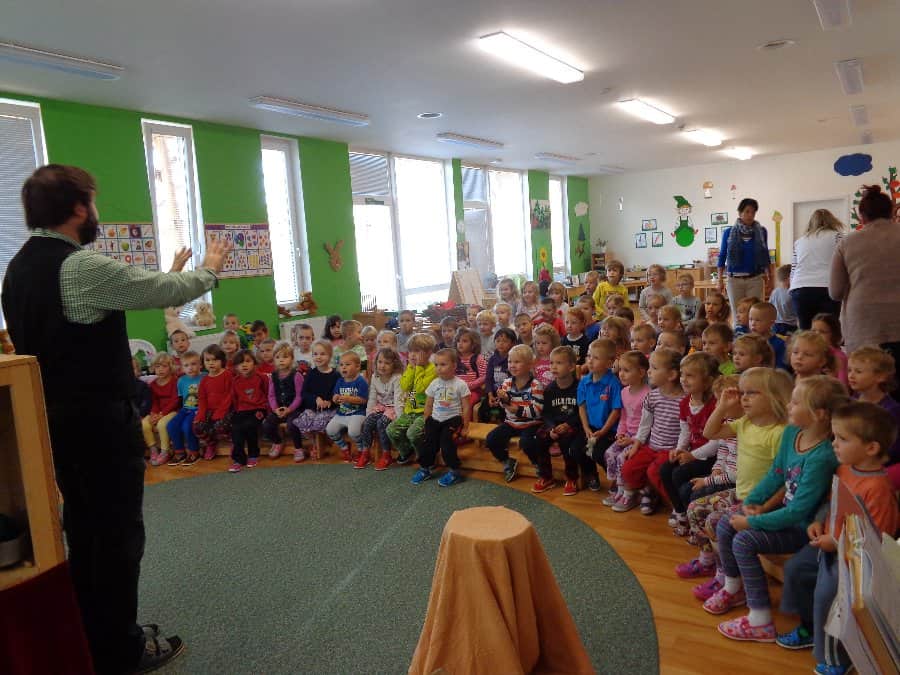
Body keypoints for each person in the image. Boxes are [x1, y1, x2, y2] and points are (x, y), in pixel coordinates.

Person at [1, 164, 230, 672]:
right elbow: (162, 291)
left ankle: (93, 635)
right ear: (78, 207)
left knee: (85, 533)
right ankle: (119, 651)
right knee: (117, 538)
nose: (96, 211)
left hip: (55, 424)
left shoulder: (16, 269)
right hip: (99, 427)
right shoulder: (78, 267)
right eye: (93, 201)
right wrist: (210, 268)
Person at [712, 377, 845, 643]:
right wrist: (752, 503)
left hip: (800, 528)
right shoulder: (792, 433)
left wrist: (752, 522)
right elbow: (776, 474)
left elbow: (797, 512)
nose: (788, 406)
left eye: (795, 402)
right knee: (725, 522)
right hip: (782, 516)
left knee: (744, 540)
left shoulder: (822, 456)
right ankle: (734, 587)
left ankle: (760, 620)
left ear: (819, 414)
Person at [778, 402, 898, 674]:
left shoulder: (878, 488)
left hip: (855, 561)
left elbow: (878, 538)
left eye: (842, 439)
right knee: (796, 569)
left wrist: (835, 542)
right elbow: (831, 503)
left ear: (871, 448)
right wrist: (818, 522)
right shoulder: (844, 469)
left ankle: (836, 658)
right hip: (829, 544)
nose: (834, 443)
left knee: (828, 595)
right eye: (835, 436)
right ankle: (809, 628)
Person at [687, 368, 792, 600]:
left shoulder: (780, 433)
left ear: (774, 397)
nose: (744, 398)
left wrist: (763, 507)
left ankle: (731, 579)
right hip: (741, 494)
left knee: (716, 521)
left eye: (751, 393)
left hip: (762, 503)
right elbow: (710, 432)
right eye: (742, 392)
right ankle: (713, 565)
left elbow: (786, 479)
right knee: (695, 508)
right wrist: (722, 407)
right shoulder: (745, 422)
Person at [831, 184, 900, 363]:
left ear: (861, 216)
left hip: (863, 323)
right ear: (892, 212)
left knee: (867, 375)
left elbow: (835, 292)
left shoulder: (847, 243)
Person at [613, 348, 683, 514]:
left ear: (671, 375)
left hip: (670, 450)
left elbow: (685, 429)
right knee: (628, 468)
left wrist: (680, 449)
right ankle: (644, 491)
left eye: (654, 368)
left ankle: (677, 507)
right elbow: (645, 425)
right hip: (651, 446)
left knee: (654, 472)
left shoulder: (684, 399)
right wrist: (637, 445)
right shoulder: (652, 396)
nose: (649, 371)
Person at [659, 353, 720, 535]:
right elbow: (685, 431)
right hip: (692, 453)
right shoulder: (685, 402)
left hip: (711, 457)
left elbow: (717, 442)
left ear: (707, 381)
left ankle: (690, 515)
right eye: (682, 374)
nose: (683, 379)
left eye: (690, 376)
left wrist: (692, 455)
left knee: (679, 474)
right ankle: (680, 511)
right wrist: (679, 449)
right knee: (665, 469)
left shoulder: (715, 405)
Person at [521, 346, 583, 494]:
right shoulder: (549, 389)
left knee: (567, 441)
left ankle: (571, 477)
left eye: (559, 363)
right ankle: (546, 476)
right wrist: (551, 428)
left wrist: (568, 425)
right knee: (539, 438)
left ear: (571, 367)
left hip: (573, 425)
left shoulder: (579, 388)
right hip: (554, 425)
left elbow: (582, 413)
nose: (554, 367)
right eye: (551, 363)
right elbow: (546, 413)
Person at [412, 348, 472, 487]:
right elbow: (428, 404)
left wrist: (466, 426)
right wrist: (427, 421)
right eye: (436, 365)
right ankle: (425, 469)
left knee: (446, 444)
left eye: (443, 364)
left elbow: (467, 407)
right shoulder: (434, 383)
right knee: (428, 444)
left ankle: (455, 472)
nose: (439, 368)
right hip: (435, 419)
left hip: (452, 419)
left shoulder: (460, 384)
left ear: (454, 366)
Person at [485, 344, 545, 483]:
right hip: (511, 423)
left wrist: (517, 410)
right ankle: (507, 461)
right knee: (491, 439)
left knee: (527, 443)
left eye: (517, 362)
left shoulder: (536, 385)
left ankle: (539, 464)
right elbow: (504, 406)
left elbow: (538, 410)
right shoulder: (506, 383)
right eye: (510, 361)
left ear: (529, 365)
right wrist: (503, 399)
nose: (512, 365)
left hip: (531, 423)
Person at [847, 346, 900, 487]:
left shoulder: (891, 410)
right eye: (849, 370)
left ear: (880, 376)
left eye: (858, 371)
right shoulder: (852, 401)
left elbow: (891, 450)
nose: (851, 375)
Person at [602, 351, 650, 506]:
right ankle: (619, 488)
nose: (621, 374)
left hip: (641, 439)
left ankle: (628, 493)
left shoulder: (648, 395)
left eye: (626, 370)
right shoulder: (623, 392)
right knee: (610, 453)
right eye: (620, 369)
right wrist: (620, 434)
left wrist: (633, 440)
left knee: (623, 457)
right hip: (627, 435)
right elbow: (623, 417)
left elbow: (649, 425)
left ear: (641, 373)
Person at [717, 198, 774, 319]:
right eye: (747, 211)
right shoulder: (728, 232)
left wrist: (770, 277)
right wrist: (719, 280)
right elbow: (722, 255)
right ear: (740, 213)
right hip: (734, 280)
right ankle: (739, 332)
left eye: (753, 212)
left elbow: (765, 255)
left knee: (755, 314)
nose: (750, 215)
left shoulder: (761, 231)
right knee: (738, 314)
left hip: (755, 279)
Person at [386, 333, 437, 464]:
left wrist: (418, 367)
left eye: (417, 351)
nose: (413, 355)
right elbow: (404, 386)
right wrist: (411, 368)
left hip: (425, 413)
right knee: (391, 430)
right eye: (410, 351)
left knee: (412, 433)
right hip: (410, 411)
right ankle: (407, 451)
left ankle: (423, 456)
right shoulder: (411, 367)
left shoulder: (432, 370)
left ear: (428, 353)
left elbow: (420, 388)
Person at [790, 208, 844, 329]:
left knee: (805, 332)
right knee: (828, 330)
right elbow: (844, 262)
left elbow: (793, 269)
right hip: (827, 287)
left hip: (800, 288)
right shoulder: (837, 236)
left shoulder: (799, 241)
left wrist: (792, 289)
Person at [293, 339, 340, 460]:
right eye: (315, 354)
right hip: (313, 408)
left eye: (322, 354)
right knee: (302, 421)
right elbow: (304, 393)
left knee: (321, 421)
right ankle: (316, 443)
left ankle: (323, 442)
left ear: (330, 356)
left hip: (330, 409)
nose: (318, 357)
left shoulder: (336, 375)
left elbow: (338, 393)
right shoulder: (310, 374)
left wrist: (330, 401)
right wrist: (316, 399)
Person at [263, 342, 305, 461]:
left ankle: (298, 448)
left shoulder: (297, 375)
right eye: (277, 357)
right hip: (279, 409)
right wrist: (275, 409)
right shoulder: (273, 376)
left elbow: (299, 396)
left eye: (285, 357)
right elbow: (271, 395)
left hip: (295, 409)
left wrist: (290, 409)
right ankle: (277, 442)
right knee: (266, 424)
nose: (281, 360)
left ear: (291, 359)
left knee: (292, 425)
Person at [227, 349, 268, 472]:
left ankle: (253, 454)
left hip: (259, 409)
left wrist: (267, 410)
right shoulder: (235, 381)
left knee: (250, 426)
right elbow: (234, 399)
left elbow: (268, 394)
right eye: (240, 363)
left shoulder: (262, 377)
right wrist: (236, 412)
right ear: (236, 367)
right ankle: (239, 459)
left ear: (254, 363)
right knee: (236, 428)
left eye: (247, 361)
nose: (244, 365)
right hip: (242, 410)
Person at [325, 352, 369, 464]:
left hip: (358, 413)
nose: (343, 367)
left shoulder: (361, 381)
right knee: (330, 430)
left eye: (347, 364)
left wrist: (349, 399)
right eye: (341, 365)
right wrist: (335, 398)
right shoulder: (340, 381)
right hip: (342, 413)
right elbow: (335, 395)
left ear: (357, 367)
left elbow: (364, 400)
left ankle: (362, 449)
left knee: (354, 432)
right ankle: (344, 448)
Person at [364, 348, 404, 471]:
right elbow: (372, 398)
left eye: (387, 363)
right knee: (368, 422)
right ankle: (365, 452)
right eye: (380, 362)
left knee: (381, 423)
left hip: (394, 408)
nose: (382, 366)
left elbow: (399, 400)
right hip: (381, 407)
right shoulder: (375, 377)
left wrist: (399, 419)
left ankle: (387, 455)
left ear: (394, 365)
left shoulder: (397, 378)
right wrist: (368, 414)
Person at [192, 344, 234, 461]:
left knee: (220, 425)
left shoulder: (227, 375)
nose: (211, 363)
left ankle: (234, 441)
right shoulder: (204, 380)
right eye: (208, 360)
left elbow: (230, 395)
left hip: (227, 409)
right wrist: (200, 415)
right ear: (203, 362)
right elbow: (202, 399)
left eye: (215, 360)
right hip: (210, 410)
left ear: (222, 361)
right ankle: (211, 443)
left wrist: (220, 412)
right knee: (197, 426)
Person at [166, 351, 205, 466]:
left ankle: (194, 452)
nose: (190, 368)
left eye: (193, 364)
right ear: (182, 368)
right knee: (171, 425)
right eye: (186, 365)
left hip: (198, 409)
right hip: (185, 408)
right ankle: (179, 452)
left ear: (200, 365)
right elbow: (180, 398)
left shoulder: (204, 377)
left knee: (187, 426)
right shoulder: (181, 381)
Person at [142, 353, 180, 467]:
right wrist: (154, 414)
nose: (160, 369)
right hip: (158, 412)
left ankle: (165, 451)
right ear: (153, 368)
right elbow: (154, 402)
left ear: (170, 367)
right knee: (144, 423)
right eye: (157, 366)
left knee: (162, 424)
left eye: (164, 366)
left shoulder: (175, 381)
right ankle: (153, 449)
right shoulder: (153, 384)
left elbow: (175, 401)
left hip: (173, 411)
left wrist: (161, 414)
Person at [479, 327, 515, 423]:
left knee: (504, 411)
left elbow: (515, 380)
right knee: (483, 409)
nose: (501, 343)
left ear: (512, 343)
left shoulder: (513, 359)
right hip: (494, 392)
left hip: (508, 393)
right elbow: (489, 379)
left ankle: (502, 425)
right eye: (498, 341)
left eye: (505, 341)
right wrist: (490, 395)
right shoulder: (492, 359)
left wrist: (503, 395)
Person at [810, 313, 848, 386]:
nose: (817, 334)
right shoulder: (810, 352)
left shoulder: (839, 357)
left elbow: (843, 385)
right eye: (813, 331)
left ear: (833, 334)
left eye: (822, 332)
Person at [453, 328, 487, 406]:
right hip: (456, 390)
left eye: (464, 341)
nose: (460, 343)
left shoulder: (478, 359)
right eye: (458, 341)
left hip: (474, 390)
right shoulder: (455, 358)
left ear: (473, 344)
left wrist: (469, 385)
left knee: (466, 403)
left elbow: (484, 376)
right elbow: (452, 375)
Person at [749, 301, 787, 370]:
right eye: (750, 319)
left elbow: (781, 369)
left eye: (757, 320)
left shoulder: (779, 344)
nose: (753, 323)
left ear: (771, 323)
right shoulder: (747, 341)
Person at [770, 265, 798, 335]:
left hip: (776, 325)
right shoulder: (792, 293)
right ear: (789, 278)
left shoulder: (775, 291)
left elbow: (770, 306)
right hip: (790, 326)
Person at [532, 324, 559, 388]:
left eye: (544, 343)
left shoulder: (557, 359)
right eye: (538, 343)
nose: (540, 346)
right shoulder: (534, 360)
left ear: (553, 343)